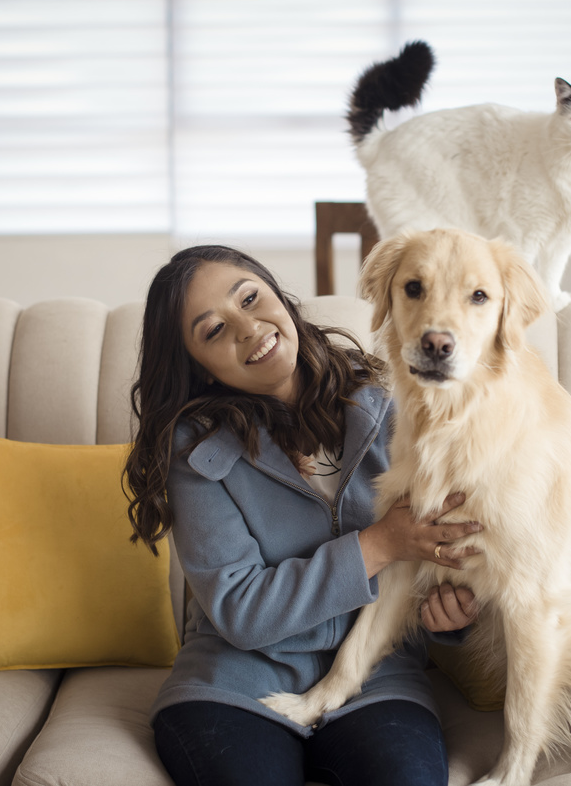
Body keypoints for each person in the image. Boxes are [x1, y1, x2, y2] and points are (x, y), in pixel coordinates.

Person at [124, 245, 484, 786]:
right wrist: (379, 544)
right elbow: (242, 611)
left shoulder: (391, 403)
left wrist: (451, 615)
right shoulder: (195, 453)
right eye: (214, 330)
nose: (248, 328)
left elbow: (439, 557)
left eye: (250, 298)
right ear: (198, 369)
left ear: (279, 296)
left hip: (374, 680)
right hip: (236, 689)